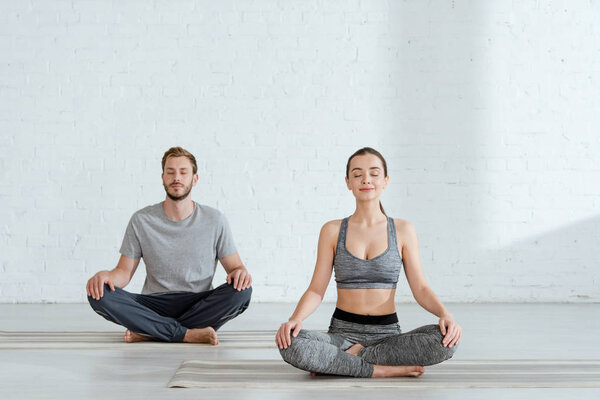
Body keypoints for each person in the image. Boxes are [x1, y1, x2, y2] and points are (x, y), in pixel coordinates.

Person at [276, 147, 462, 378]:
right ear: (348, 182)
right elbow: (316, 290)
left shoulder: (403, 230)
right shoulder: (332, 230)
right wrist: (295, 319)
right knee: (291, 342)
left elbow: (421, 288)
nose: (366, 179)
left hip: (387, 337)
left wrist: (446, 315)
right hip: (341, 337)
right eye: (357, 174)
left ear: (385, 181)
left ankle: (344, 363)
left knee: (446, 340)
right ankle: (381, 370)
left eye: (374, 173)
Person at [86, 146, 252, 345]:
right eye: (170, 172)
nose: (177, 178)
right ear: (163, 177)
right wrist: (106, 276)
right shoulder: (142, 220)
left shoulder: (215, 220)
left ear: (194, 179)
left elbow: (236, 268)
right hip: (154, 303)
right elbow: (123, 272)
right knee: (99, 294)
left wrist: (240, 273)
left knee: (243, 292)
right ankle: (187, 333)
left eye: (183, 172)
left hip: (199, 303)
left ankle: (151, 331)